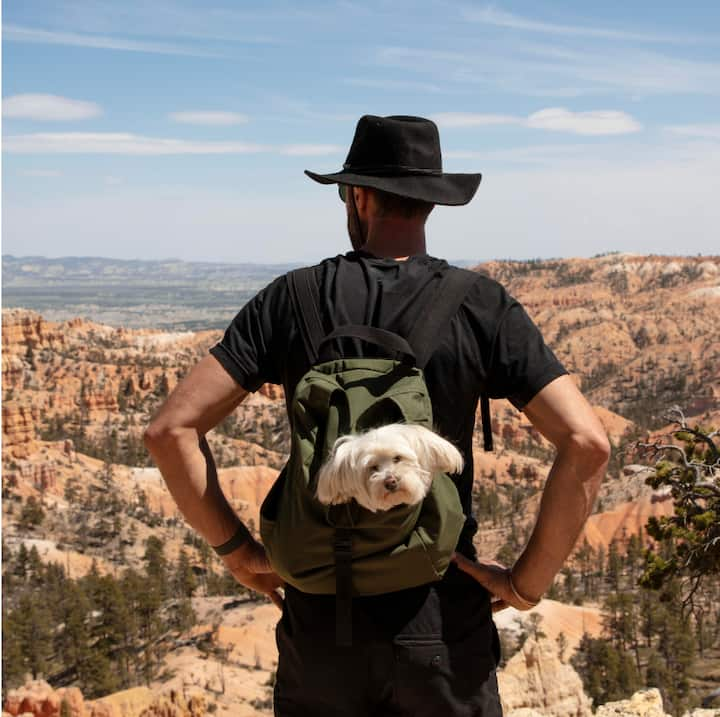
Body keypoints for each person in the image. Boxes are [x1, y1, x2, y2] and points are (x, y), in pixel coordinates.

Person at [144, 115, 610, 716]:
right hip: (442, 617)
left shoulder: (292, 297)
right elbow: (587, 442)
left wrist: (238, 550)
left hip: (321, 621)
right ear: (431, 205)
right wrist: (526, 583)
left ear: (357, 195)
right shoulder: (479, 302)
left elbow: (168, 430)